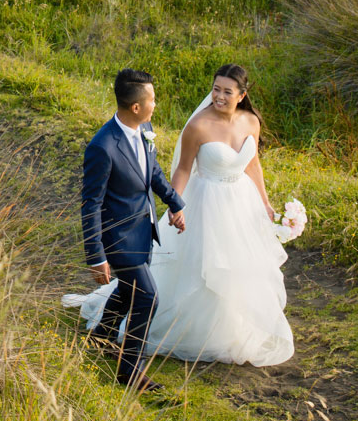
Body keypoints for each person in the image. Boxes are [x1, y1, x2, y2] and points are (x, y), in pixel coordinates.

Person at [66, 64, 294, 372]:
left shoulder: (250, 122)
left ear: (242, 95)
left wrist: (264, 203)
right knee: (175, 280)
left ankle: (225, 327)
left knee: (236, 267)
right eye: (216, 89)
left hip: (241, 203)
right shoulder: (196, 126)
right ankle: (129, 367)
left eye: (227, 91)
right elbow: (181, 169)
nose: (219, 96)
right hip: (204, 203)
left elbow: (252, 165)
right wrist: (177, 204)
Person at [77, 68, 187, 392]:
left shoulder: (145, 129)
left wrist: (175, 203)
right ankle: (130, 371)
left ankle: (100, 338)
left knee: (129, 292)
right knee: (147, 298)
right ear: (136, 106)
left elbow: (152, 173)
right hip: (117, 238)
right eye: (152, 99)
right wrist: (96, 256)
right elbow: (90, 204)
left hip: (142, 231)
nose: (156, 103)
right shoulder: (103, 147)